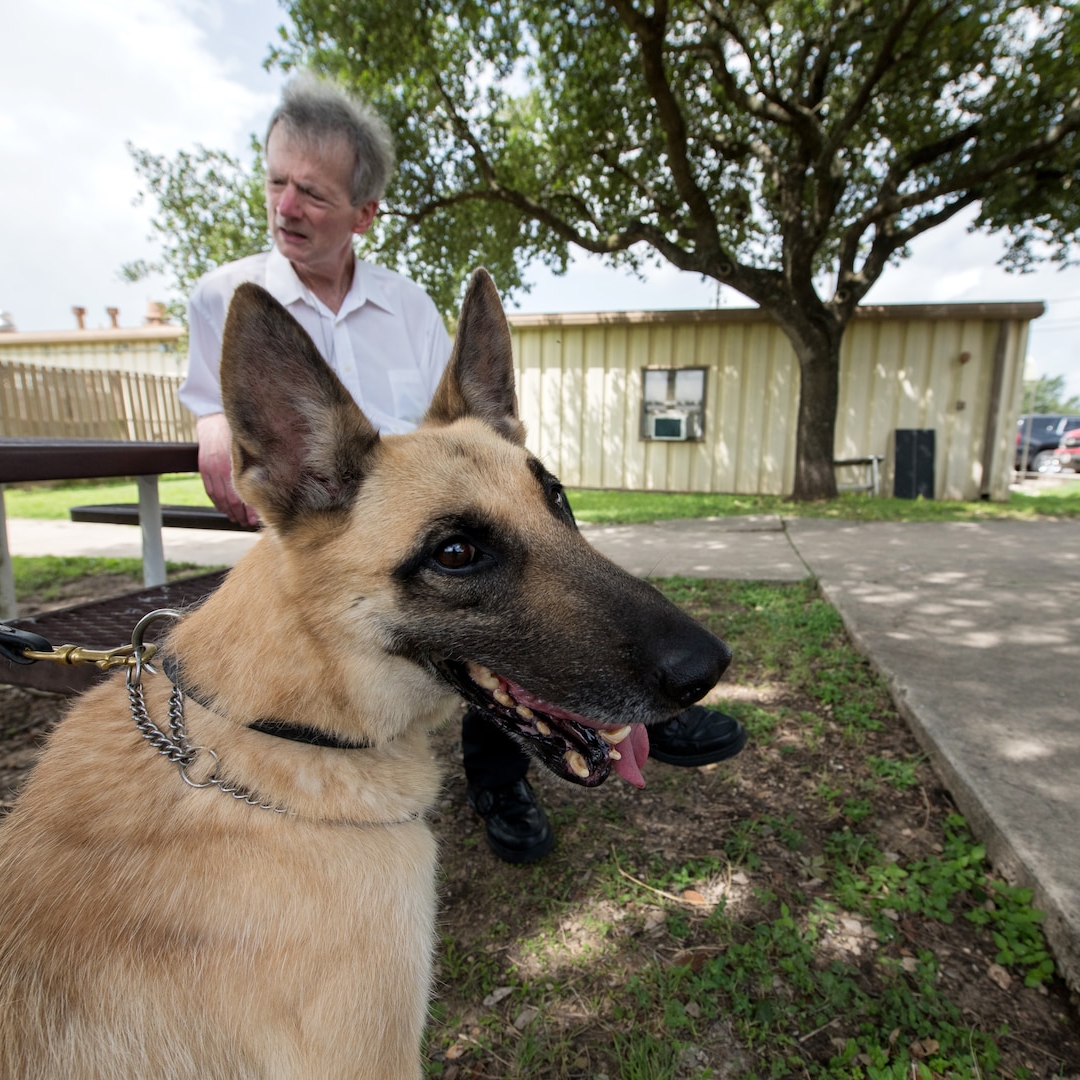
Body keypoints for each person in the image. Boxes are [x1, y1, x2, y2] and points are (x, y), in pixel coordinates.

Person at [180, 74, 746, 864]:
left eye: (311, 191)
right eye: (276, 181)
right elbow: (219, 397)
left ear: (363, 213)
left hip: (418, 503)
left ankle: (556, 746)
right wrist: (214, 420)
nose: (285, 205)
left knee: (492, 607)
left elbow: (454, 431)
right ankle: (601, 712)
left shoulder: (405, 302)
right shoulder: (225, 294)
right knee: (471, 607)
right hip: (321, 529)